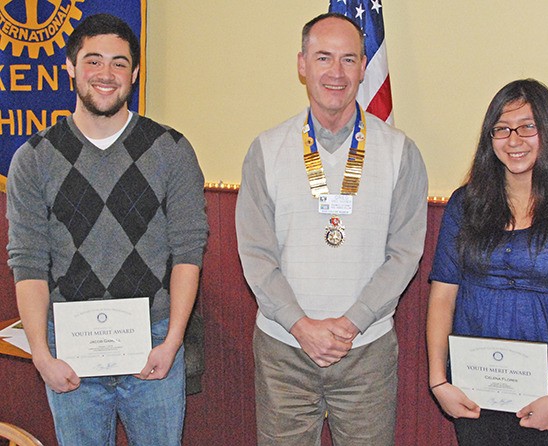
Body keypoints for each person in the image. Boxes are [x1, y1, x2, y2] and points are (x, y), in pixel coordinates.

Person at [6, 14, 207, 446]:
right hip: (69, 349)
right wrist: (42, 355)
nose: (106, 74)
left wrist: (172, 343)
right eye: (93, 61)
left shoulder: (171, 150)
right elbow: (28, 263)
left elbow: (189, 252)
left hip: (153, 344)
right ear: (70, 67)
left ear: (134, 73)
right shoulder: (33, 158)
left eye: (119, 63)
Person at [236, 12, 428, 446]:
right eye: (323, 57)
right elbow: (256, 254)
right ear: (302, 64)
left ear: (364, 67)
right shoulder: (266, 150)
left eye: (348, 59)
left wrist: (351, 324)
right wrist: (302, 326)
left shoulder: (401, 152)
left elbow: (405, 253)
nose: (336, 73)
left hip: (367, 354)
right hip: (284, 351)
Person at [426, 79, 548, 445]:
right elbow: (442, 294)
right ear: (489, 137)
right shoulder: (465, 204)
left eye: (528, 126)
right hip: (471, 391)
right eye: (502, 129)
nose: (514, 140)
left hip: (546, 395)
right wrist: (438, 381)